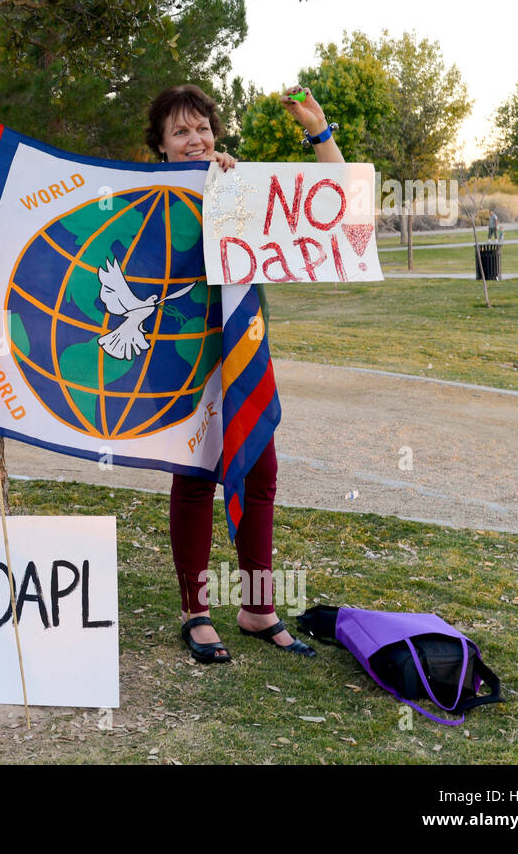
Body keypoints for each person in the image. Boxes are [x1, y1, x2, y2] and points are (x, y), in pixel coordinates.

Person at [145, 84, 339, 663]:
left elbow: (336, 200)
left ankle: (257, 608)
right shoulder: (145, 197)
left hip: (244, 350)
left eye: (201, 128)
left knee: (261, 472)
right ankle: (195, 610)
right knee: (197, 474)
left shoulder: (239, 183)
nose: (194, 139)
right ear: (160, 146)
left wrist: (320, 131)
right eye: (179, 132)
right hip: (183, 357)